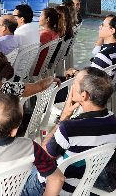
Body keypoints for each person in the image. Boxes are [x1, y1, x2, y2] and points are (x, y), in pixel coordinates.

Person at [22, 67, 116, 195]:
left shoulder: (69, 128)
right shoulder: (112, 121)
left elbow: (43, 156)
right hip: (88, 187)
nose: (72, 85)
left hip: (56, 187)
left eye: (74, 83)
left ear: (84, 95)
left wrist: (64, 117)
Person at [33, 7, 62, 75]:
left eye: (41, 16)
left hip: (36, 67)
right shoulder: (55, 33)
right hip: (44, 65)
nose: (39, 18)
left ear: (47, 19)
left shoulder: (45, 35)